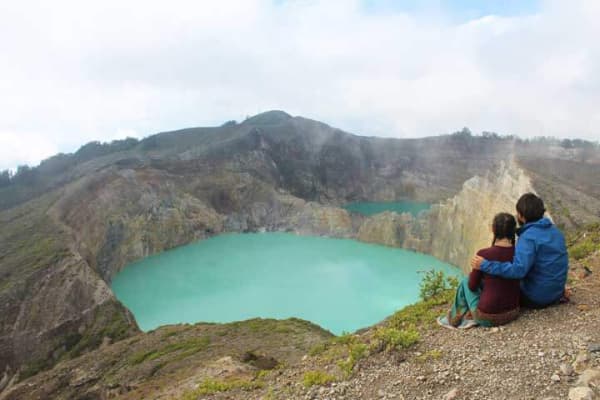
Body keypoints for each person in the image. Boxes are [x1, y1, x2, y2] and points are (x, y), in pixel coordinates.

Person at [471, 193, 569, 308]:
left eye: (518, 213)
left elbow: (518, 271)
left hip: (536, 298)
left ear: (522, 216)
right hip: (556, 293)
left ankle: (480, 310)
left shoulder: (528, 237)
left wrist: (485, 265)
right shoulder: (556, 232)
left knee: (489, 282)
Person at [438, 212, 521, 329]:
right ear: (513, 231)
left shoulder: (484, 254)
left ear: (493, 229)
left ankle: (453, 319)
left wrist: (476, 273)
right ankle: (465, 316)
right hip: (513, 312)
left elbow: (472, 286)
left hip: (487, 317)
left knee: (465, 282)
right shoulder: (520, 254)